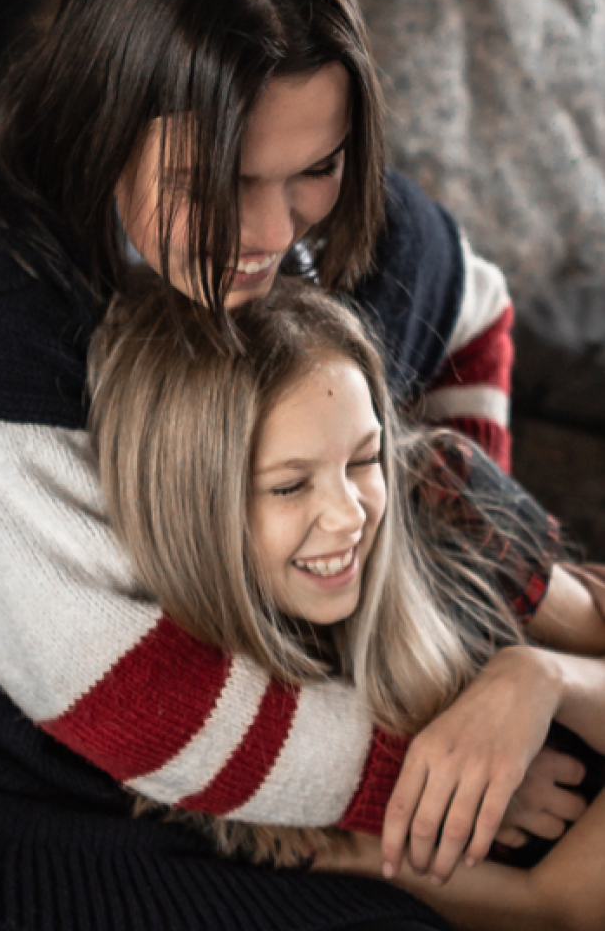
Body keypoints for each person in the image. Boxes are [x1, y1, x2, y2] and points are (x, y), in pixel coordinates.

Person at [0, 0, 586, 927]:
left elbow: (474, 306)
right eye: (222, 181)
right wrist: (425, 769)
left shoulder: (357, 231)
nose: (270, 232)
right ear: (103, 126)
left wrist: (432, 581)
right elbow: (116, 689)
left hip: (292, 688)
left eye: (313, 169)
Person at [86, 275, 605, 929]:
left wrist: (541, 678)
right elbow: (557, 909)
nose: (350, 515)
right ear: (187, 510)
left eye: (365, 459)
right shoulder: (191, 732)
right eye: (289, 485)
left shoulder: (438, 495)